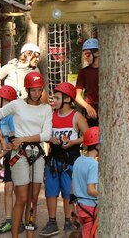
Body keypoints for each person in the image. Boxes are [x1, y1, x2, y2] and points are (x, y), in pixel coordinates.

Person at [0, 71, 52, 238]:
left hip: (37, 153)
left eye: (39, 90)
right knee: (22, 198)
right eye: (33, 90)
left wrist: (22, 138)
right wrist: (2, 141)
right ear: (27, 89)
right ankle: (15, 235)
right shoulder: (17, 105)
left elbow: (46, 135)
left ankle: (29, 235)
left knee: (33, 199)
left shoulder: (46, 109)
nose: (36, 93)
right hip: (20, 155)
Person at [39, 82, 88, 236]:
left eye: (58, 98)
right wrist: (50, 139)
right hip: (53, 160)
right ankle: (52, 221)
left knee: (68, 192)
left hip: (70, 161)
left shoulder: (77, 116)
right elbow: (45, 134)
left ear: (67, 99)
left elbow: (88, 136)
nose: (54, 101)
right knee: (51, 191)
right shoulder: (51, 116)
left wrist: (73, 142)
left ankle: (68, 220)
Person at [0, 85, 20, 235]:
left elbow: (15, 140)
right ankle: (9, 220)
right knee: (8, 188)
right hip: (8, 157)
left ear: (6, 101)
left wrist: (4, 152)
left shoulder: (12, 117)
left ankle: (20, 219)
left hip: (18, 157)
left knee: (20, 190)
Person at [70, 127, 100, 238]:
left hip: (80, 206)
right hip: (90, 208)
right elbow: (91, 190)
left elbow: (73, 185)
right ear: (97, 145)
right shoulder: (93, 165)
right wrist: (106, 197)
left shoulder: (78, 160)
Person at [73, 39, 99, 127]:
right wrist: (88, 107)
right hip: (91, 112)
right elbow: (77, 95)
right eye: (84, 55)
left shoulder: (108, 70)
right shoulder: (84, 72)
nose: (85, 58)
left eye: (87, 54)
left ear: (97, 53)